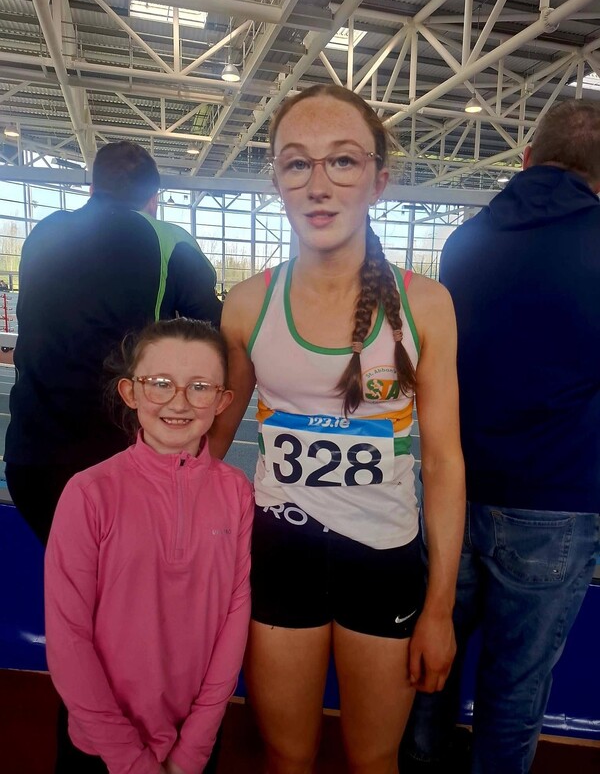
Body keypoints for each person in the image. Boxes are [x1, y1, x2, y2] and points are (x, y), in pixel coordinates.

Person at [208, 84, 465, 774]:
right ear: (276, 181)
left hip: (384, 564)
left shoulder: (426, 306)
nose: (318, 185)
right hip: (280, 558)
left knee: (373, 760)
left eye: (343, 161)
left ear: (378, 181)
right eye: (297, 163)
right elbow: (207, 451)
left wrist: (439, 608)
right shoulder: (248, 305)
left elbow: (444, 464)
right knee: (286, 756)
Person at [400, 98, 600, 774]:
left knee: (432, 657)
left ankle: (421, 761)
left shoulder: (466, 241)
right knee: (516, 685)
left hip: (453, 490)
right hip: (555, 499)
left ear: (526, 158)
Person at [45, 317, 254, 774]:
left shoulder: (236, 492)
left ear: (223, 400)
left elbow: (234, 617)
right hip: (102, 748)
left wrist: (195, 745)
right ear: (131, 392)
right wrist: (128, 759)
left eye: (199, 387)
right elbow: (68, 638)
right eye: (160, 383)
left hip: (192, 742)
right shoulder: (89, 493)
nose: (178, 402)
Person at [4, 140, 222, 546]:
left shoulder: (43, 233)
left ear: (92, 189)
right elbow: (221, 335)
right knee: (126, 579)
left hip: (30, 459)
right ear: (153, 199)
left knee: (70, 575)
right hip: (116, 465)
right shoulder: (168, 241)